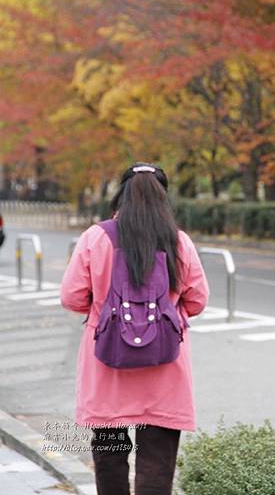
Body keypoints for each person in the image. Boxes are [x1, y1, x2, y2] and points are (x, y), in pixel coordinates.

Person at [60, 162, 209, 495]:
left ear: (121, 196)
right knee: (157, 459)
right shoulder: (179, 242)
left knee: (110, 455)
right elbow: (197, 301)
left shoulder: (96, 237)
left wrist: (101, 312)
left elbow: (71, 297)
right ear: (163, 199)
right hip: (164, 365)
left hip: (107, 363)